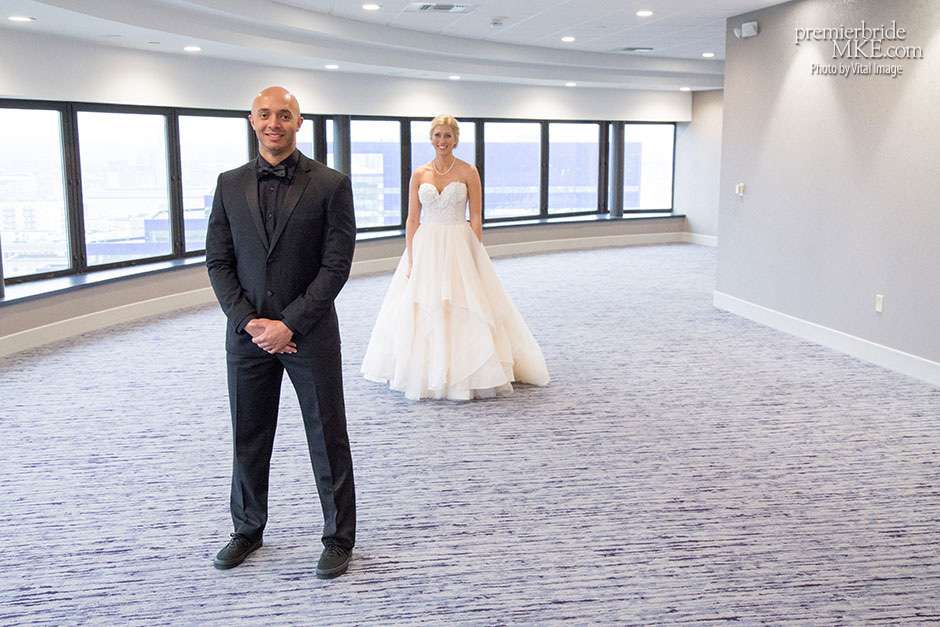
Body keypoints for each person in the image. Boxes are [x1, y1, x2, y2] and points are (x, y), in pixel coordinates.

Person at [206, 86, 357, 578]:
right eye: (266, 114)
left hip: (309, 331)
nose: (275, 122)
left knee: (326, 434)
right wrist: (249, 322)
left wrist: (289, 323)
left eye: (285, 115)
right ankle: (247, 529)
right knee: (248, 435)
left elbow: (335, 266)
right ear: (252, 120)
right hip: (247, 333)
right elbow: (218, 261)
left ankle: (338, 538)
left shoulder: (331, 184)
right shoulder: (228, 184)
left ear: (298, 122)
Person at [361, 115, 549, 400]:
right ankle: (426, 370)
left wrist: (475, 252)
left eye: (447, 136)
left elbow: (476, 216)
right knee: (425, 304)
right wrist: (411, 257)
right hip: (426, 244)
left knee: (464, 303)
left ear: (456, 139)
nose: (442, 141)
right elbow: (412, 219)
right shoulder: (420, 173)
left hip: (460, 242)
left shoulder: (468, 171)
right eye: (438, 135)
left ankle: (469, 370)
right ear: (431, 138)